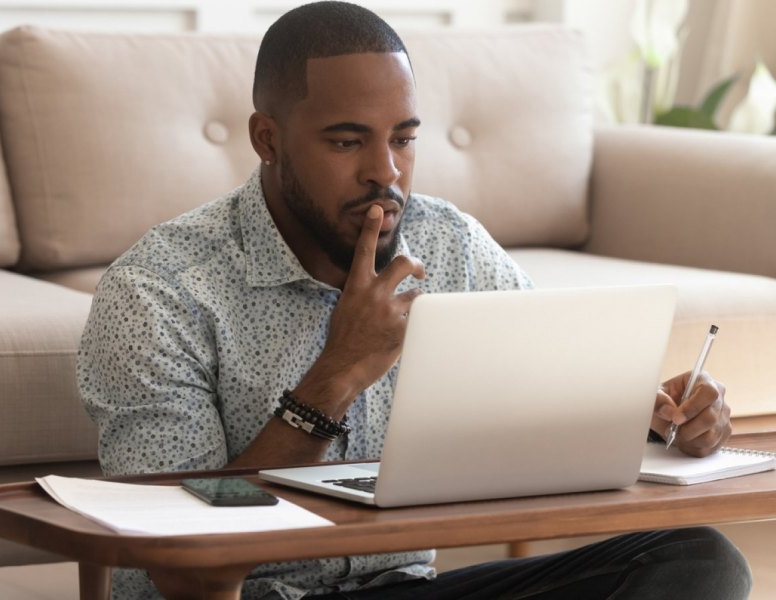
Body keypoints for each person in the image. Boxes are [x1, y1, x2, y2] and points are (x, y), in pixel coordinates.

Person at [77, 2, 752, 599]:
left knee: (699, 560)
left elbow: (552, 400)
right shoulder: (160, 293)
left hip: (405, 589)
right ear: (268, 139)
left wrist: (660, 416)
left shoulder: (449, 245)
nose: (386, 173)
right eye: (347, 141)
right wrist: (335, 378)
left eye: (403, 138)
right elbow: (185, 566)